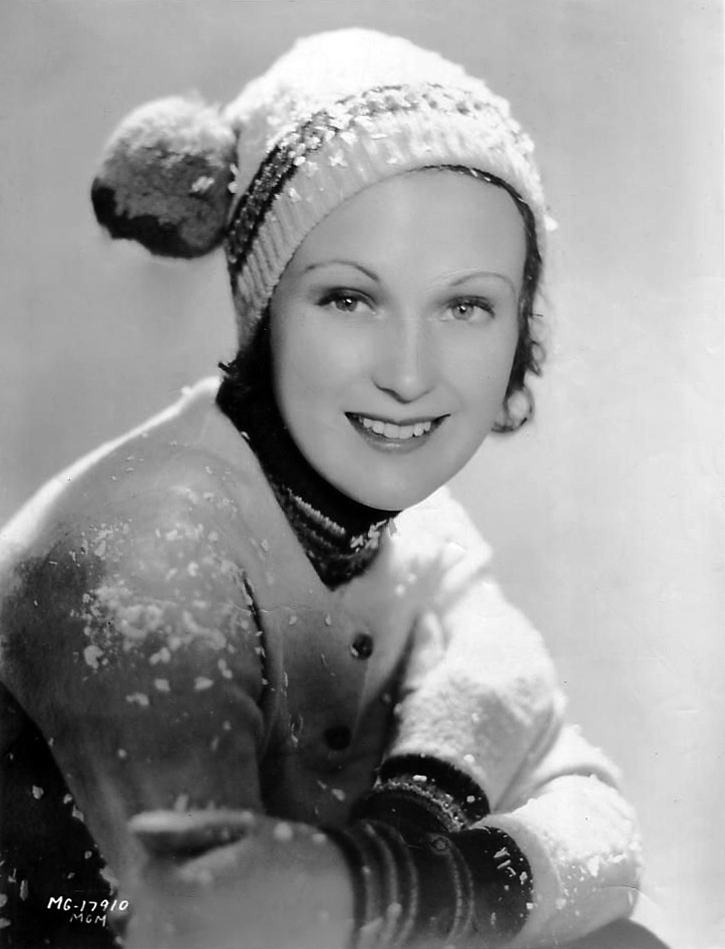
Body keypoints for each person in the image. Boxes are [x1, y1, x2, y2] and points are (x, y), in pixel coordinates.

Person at [0, 28, 658, 949]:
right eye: (349, 298)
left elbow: (586, 801)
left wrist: (402, 848)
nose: (408, 372)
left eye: (465, 304)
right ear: (264, 315)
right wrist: (466, 865)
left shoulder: (404, 523)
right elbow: (218, 922)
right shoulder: (140, 557)